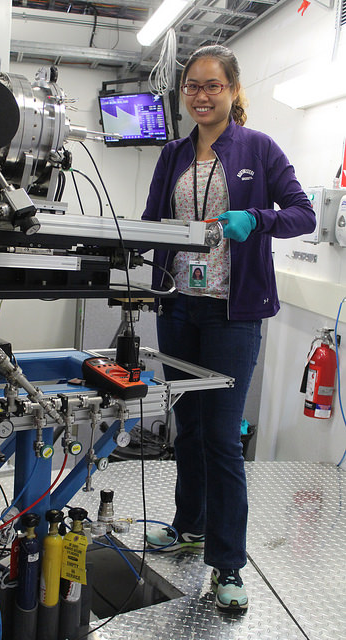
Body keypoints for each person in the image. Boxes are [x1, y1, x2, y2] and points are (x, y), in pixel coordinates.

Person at [142, 45, 315, 612]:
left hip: (231, 313)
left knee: (220, 437)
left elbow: (302, 213)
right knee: (186, 428)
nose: (201, 95)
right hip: (179, 307)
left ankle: (228, 564)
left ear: (233, 90)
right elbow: (152, 224)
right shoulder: (172, 155)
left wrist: (257, 219)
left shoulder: (258, 149)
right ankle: (188, 525)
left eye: (213, 85)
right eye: (192, 86)